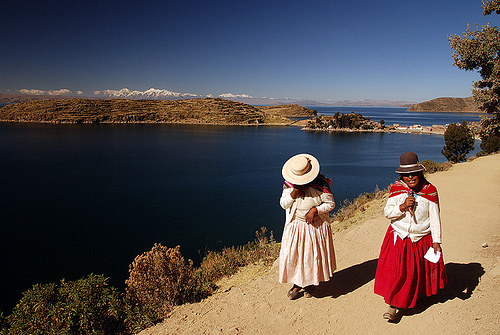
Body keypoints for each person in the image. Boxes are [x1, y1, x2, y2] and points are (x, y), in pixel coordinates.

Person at [374, 152, 447, 320]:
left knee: (418, 271)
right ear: (402, 176)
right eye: (406, 175)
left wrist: (436, 241)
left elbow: (435, 218)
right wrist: (402, 206)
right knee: (399, 273)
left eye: (414, 173)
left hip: (421, 239)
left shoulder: (430, 192)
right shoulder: (397, 190)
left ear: (420, 173)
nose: (411, 177)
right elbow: (388, 213)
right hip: (399, 238)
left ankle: (415, 296)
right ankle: (393, 306)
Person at [279, 153, 336, 299]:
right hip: (296, 226)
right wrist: (293, 194)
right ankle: (298, 283)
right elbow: (283, 204)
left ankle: (310, 283)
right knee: (296, 256)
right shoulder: (290, 186)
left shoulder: (320, 185)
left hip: (314, 227)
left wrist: (315, 210)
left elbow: (330, 204)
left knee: (310, 256)